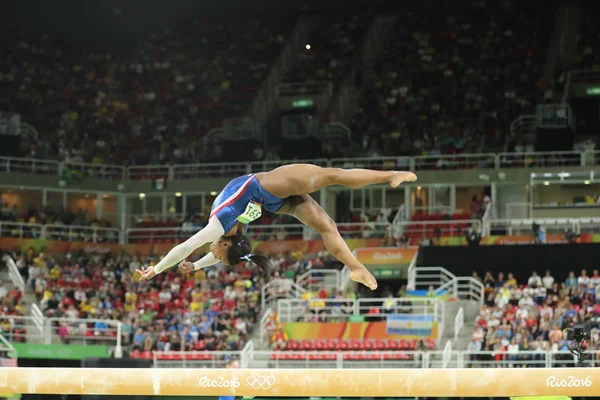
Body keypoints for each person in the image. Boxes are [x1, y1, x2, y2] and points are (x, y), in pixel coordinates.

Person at [136, 164, 417, 290]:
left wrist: (157, 269)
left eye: (217, 257)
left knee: (332, 183)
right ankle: (356, 266)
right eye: (219, 257)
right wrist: (190, 267)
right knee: (327, 214)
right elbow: (211, 252)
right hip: (269, 193)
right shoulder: (224, 231)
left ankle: (390, 176)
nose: (213, 257)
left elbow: (188, 248)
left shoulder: (221, 227)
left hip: (268, 191)